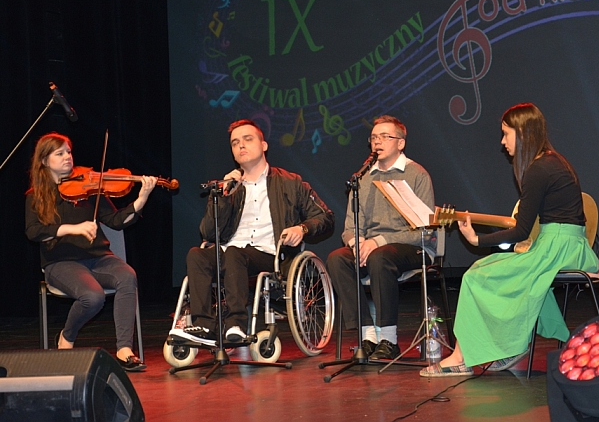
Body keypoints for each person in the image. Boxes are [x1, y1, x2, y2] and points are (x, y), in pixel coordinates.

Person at [420, 102, 599, 377]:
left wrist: (477, 239)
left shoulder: (538, 170)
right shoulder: (554, 161)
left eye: (506, 134)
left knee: (475, 276)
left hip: (557, 249)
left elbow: (520, 231)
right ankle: (507, 347)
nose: (503, 142)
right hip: (567, 245)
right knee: (489, 271)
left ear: (523, 133)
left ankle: (461, 356)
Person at [170, 119, 334, 344]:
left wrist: (302, 228)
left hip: (270, 255)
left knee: (235, 253)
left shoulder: (290, 182)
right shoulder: (227, 187)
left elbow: (325, 217)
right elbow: (207, 232)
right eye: (235, 143)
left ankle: (235, 323)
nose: (241, 146)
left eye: (248, 139)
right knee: (196, 255)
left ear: (264, 145)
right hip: (231, 252)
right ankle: (204, 326)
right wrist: (223, 197)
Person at [25, 132, 157, 372]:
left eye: (69, 151)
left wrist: (141, 199)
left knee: (127, 276)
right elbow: (33, 232)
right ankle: (67, 336)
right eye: (60, 153)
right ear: (44, 161)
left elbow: (117, 221)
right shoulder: (36, 196)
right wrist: (72, 229)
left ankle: (125, 349)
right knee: (93, 296)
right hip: (60, 262)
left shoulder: (91, 188)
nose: (68, 157)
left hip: (98, 258)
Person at [326, 115, 435, 360]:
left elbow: (425, 230)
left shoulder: (416, 175)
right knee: (337, 259)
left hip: (412, 247)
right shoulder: (363, 179)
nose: (378, 142)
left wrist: (378, 242)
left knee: (380, 257)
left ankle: (389, 338)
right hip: (372, 249)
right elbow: (349, 228)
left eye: (386, 136)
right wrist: (357, 244)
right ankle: (368, 335)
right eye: (374, 137)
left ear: (400, 143)